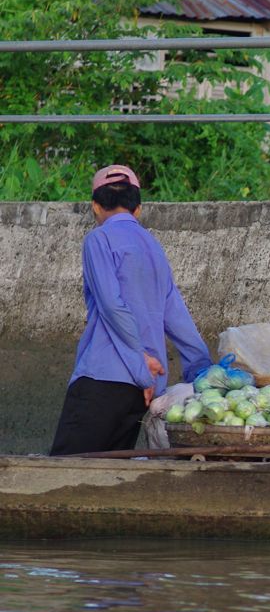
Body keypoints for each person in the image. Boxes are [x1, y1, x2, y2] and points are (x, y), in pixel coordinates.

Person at [49, 165, 211, 456]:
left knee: (65, 472)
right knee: (108, 478)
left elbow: (112, 306)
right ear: (138, 210)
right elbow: (176, 316)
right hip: (141, 394)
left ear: (95, 207)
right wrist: (202, 372)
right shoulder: (153, 247)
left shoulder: (98, 240)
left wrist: (140, 366)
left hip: (104, 379)